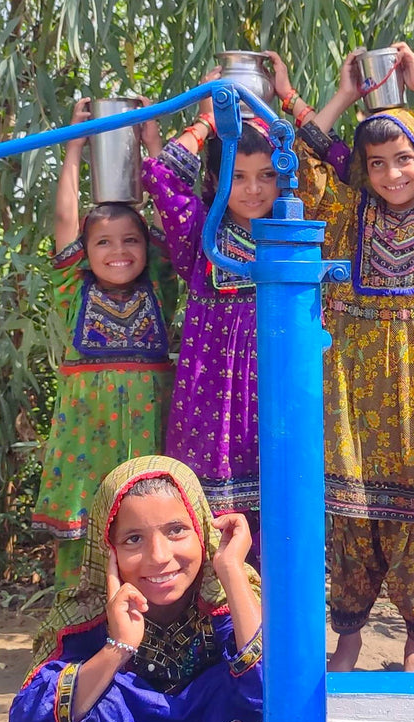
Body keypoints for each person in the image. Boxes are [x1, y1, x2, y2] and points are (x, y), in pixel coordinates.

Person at [282, 42, 414, 672]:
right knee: (352, 519)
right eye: (377, 163)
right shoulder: (348, 219)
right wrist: (345, 94)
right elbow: (301, 157)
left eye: (404, 159)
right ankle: (346, 641)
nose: (392, 174)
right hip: (357, 402)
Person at [7, 455, 263, 722]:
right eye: (133, 540)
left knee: (241, 678)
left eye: (177, 531)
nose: (159, 558)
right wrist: (117, 647)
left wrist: (231, 570)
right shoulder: (83, 613)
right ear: (105, 550)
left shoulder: (229, 595)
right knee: (93, 695)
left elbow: (276, 694)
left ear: (203, 529)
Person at [32, 98, 179, 589]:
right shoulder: (76, 286)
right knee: (88, 525)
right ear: (85, 252)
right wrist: (73, 148)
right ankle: (83, 623)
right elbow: (65, 217)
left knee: (151, 516)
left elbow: (168, 213)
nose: (118, 252)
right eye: (103, 243)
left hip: (148, 422)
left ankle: (152, 621)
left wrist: (151, 140)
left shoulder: (159, 280)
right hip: (86, 431)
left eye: (130, 241)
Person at [141, 68, 282, 564]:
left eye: (266, 176)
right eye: (237, 176)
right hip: (211, 398)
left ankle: (268, 630)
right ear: (216, 179)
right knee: (209, 519)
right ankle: (215, 623)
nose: (252, 189)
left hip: (275, 390)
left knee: (277, 513)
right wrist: (206, 119)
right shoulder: (202, 234)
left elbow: (333, 169)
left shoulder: (294, 233)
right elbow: (159, 174)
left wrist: (285, 99)